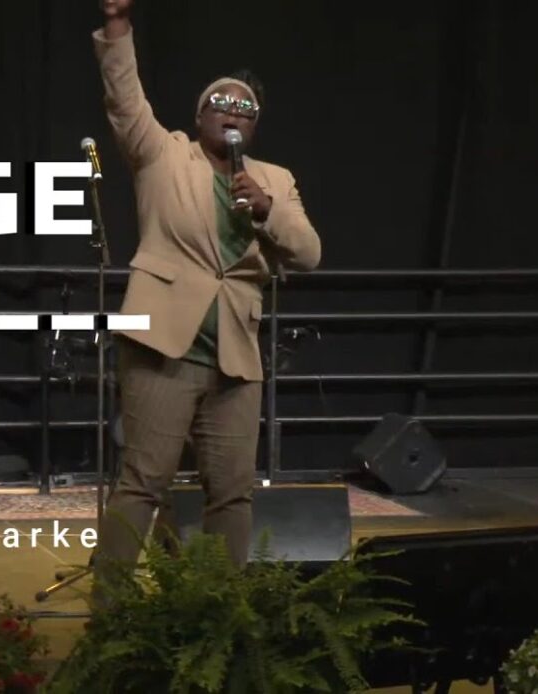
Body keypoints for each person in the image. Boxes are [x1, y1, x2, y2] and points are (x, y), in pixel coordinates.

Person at [91, 0, 322, 589]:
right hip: (164, 345)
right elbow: (125, 100)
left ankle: (218, 616)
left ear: (255, 125)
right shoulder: (163, 154)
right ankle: (110, 613)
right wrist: (117, 25)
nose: (233, 113)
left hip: (235, 357)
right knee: (143, 482)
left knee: (232, 493)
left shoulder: (276, 180)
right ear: (199, 116)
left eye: (245, 109)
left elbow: (308, 253)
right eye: (221, 104)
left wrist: (267, 212)